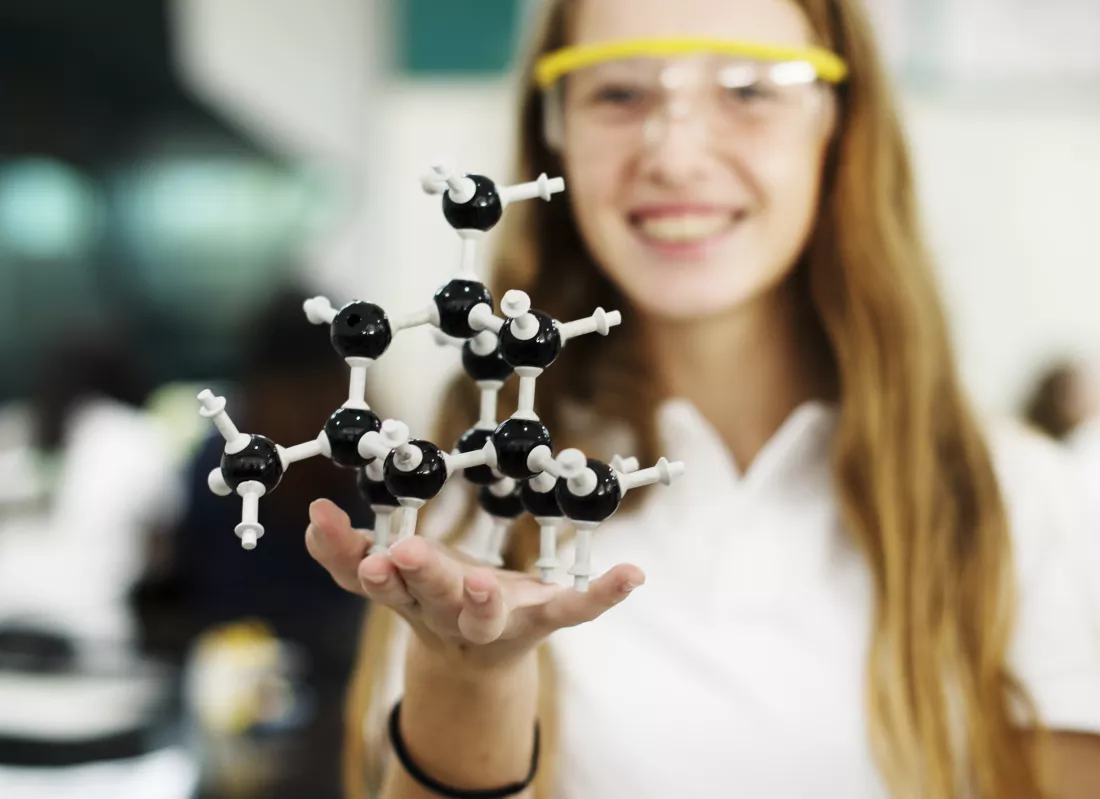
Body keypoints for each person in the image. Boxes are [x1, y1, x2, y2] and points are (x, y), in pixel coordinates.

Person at [305, 1, 1100, 797]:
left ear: (839, 122)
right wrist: (468, 678)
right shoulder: (468, 486)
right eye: (618, 94)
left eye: (750, 90)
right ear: (556, 132)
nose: (676, 156)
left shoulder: (1021, 500)